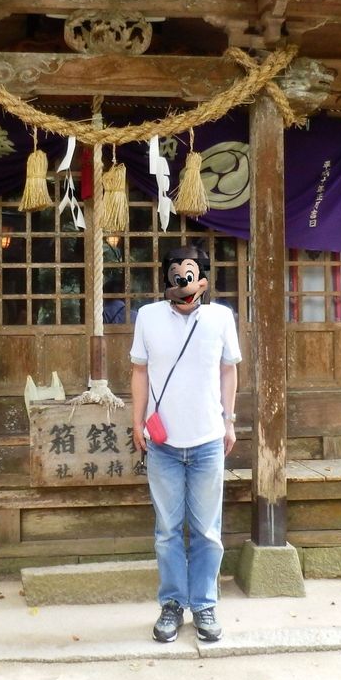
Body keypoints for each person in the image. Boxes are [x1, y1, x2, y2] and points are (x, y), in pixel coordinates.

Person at [130, 244, 241, 643]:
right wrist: (137, 421)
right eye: (176, 272)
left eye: (190, 271)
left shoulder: (221, 318)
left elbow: (229, 370)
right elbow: (139, 372)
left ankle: (205, 604)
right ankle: (173, 604)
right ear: (166, 277)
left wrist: (229, 422)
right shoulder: (148, 317)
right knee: (167, 530)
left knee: (208, 530)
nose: (183, 279)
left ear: (204, 277)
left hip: (209, 438)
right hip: (163, 443)